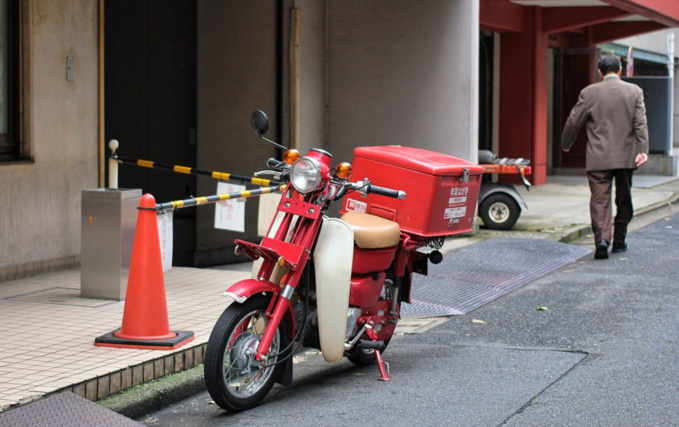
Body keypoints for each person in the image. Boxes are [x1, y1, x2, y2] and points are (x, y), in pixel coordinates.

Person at [561, 54, 649, 260]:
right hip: (626, 156)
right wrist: (642, 149)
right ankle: (619, 240)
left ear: (599, 71)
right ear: (620, 70)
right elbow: (640, 123)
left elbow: (574, 121)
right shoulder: (634, 91)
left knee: (599, 199)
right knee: (624, 198)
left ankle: (601, 240)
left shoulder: (589, 92)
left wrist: (566, 143)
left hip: (598, 156)